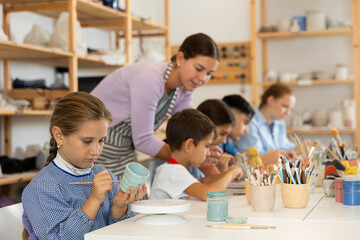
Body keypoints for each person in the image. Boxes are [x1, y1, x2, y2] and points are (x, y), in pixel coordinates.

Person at [91, 33, 220, 178]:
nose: (203, 78)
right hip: (97, 145)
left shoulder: (185, 89)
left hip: (124, 148)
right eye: (198, 68)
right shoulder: (150, 79)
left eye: (209, 73)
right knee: (123, 196)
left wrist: (205, 149)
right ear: (180, 58)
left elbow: (189, 133)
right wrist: (190, 156)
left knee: (135, 194)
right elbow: (143, 140)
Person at [21, 92, 147, 240]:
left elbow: (121, 234)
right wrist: (93, 200)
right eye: (87, 141)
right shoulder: (42, 187)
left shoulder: (104, 175)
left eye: (101, 140)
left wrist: (119, 207)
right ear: (59, 135)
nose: (96, 151)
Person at [150, 109, 243, 201]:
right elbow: (208, 194)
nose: (209, 153)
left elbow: (202, 182)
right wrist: (231, 174)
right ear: (189, 145)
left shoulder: (174, 170)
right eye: (207, 146)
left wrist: (226, 174)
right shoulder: (172, 172)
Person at [233, 83, 297, 164]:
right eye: (284, 106)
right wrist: (284, 152)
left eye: (290, 108)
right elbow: (255, 156)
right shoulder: (250, 121)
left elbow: (284, 145)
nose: (288, 113)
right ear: (271, 100)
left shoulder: (279, 122)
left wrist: (297, 148)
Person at [196, 99, 236, 176]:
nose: (224, 141)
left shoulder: (211, 155)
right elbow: (217, 186)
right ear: (206, 127)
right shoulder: (198, 156)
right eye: (222, 134)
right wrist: (224, 172)